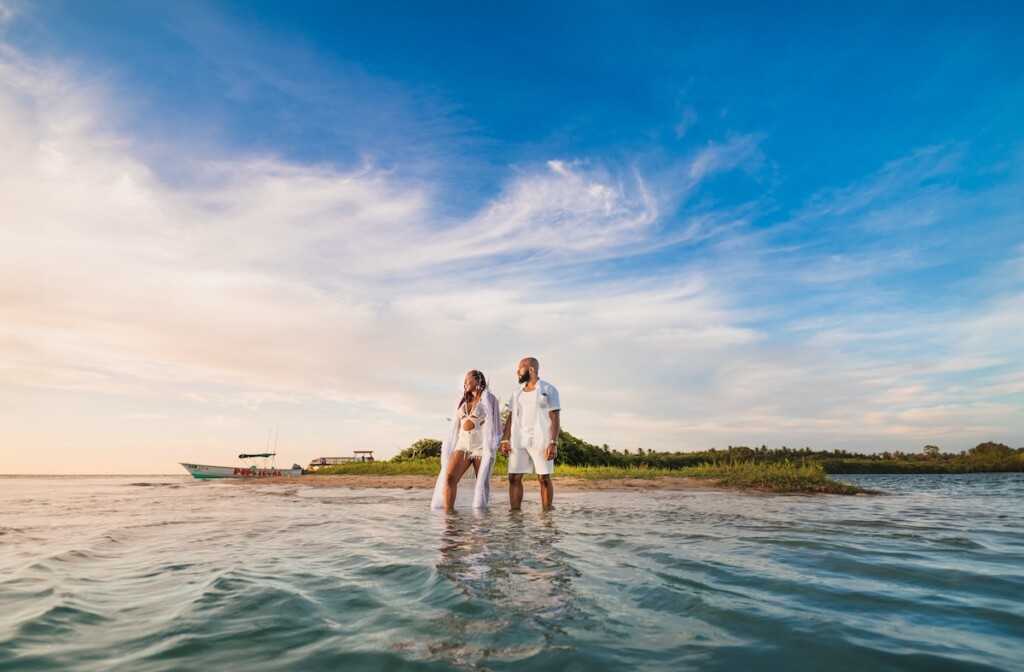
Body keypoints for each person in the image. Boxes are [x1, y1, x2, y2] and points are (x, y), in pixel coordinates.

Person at [431, 370, 501, 512]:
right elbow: (455, 425)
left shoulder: (489, 399)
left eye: (469, 379)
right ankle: (448, 516)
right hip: (462, 443)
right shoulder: (462, 400)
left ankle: (480, 520)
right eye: (465, 380)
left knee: (481, 483)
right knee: (449, 477)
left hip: (480, 445)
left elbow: (496, 422)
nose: (465, 382)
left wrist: (498, 442)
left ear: (478, 380)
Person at [500, 357, 560, 510]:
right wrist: (505, 440)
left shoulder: (548, 389)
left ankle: (546, 518)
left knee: (543, 478)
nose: (517, 371)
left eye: (520, 367)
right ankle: (515, 517)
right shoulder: (517, 393)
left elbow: (555, 417)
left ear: (531, 369)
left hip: (541, 440)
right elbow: (511, 417)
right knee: (513, 477)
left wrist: (553, 443)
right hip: (519, 439)